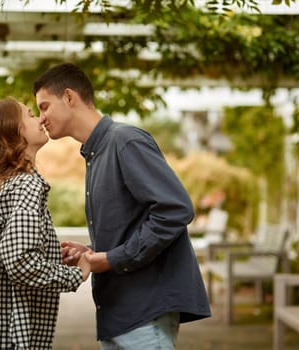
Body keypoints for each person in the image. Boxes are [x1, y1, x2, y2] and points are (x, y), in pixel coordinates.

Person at [33, 63, 211, 349]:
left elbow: (175, 210)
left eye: (44, 107)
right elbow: (132, 225)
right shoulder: (96, 153)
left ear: (68, 97)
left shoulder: (125, 141)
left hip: (145, 311)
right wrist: (94, 252)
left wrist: (113, 259)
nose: (41, 119)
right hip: (117, 313)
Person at [0, 97, 91, 350]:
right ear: (13, 132)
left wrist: (49, 256)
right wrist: (75, 274)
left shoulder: (6, 182)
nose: (40, 119)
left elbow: (10, 256)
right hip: (5, 338)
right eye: (29, 114)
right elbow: (19, 262)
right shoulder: (25, 184)